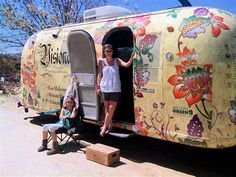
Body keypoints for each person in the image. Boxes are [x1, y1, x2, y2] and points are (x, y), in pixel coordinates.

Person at [97, 44, 134, 137]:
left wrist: (131, 58)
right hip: (105, 88)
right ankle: (109, 126)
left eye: (109, 51)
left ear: (112, 52)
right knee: (106, 109)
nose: (107, 52)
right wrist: (98, 87)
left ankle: (104, 127)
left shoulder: (116, 61)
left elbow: (126, 65)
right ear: (104, 52)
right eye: (106, 51)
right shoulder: (101, 62)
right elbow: (99, 75)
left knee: (111, 109)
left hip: (115, 88)